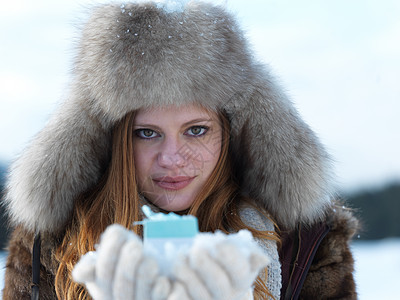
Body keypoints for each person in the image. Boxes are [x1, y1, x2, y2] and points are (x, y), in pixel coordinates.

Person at [1, 1, 359, 299]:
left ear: (232, 134)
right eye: (146, 133)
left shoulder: (303, 244)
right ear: (114, 140)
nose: (171, 158)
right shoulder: (52, 247)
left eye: (196, 130)